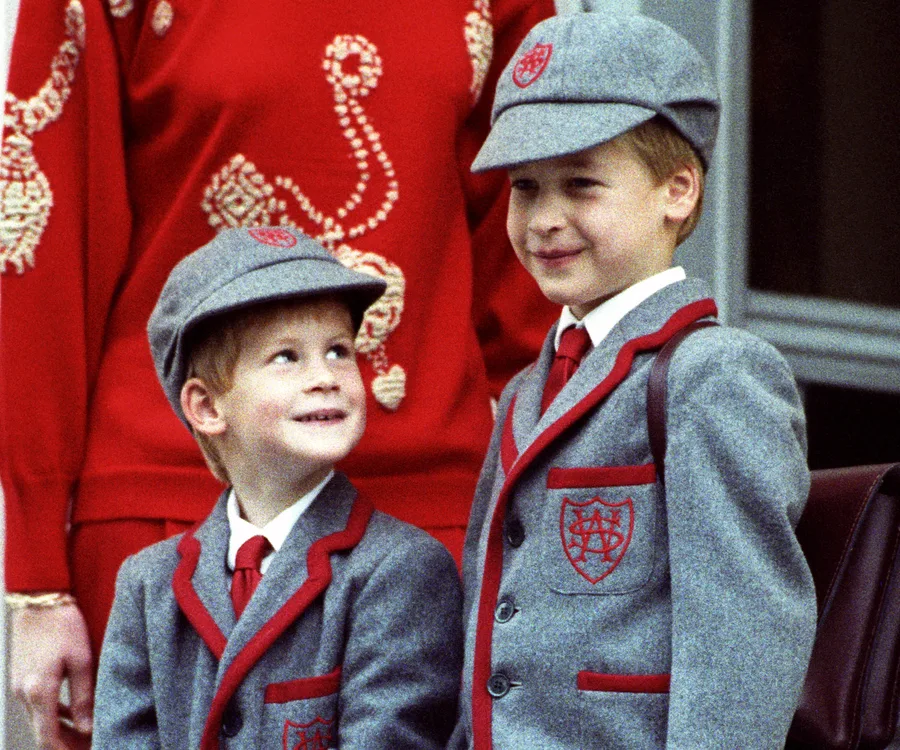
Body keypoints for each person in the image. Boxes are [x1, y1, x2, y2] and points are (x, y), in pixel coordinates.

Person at [0, 0, 557, 746]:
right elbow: (41, 241)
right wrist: (38, 582)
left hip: (434, 515)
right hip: (167, 519)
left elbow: (527, 289)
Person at [450, 13, 817, 748]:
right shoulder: (528, 390)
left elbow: (743, 639)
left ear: (677, 191)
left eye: (581, 184)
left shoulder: (713, 374)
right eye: (526, 187)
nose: (544, 219)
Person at [91, 226, 463, 748]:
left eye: (338, 350)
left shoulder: (402, 569)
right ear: (207, 407)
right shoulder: (148, 585)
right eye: (287, 357)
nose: (325, 376)